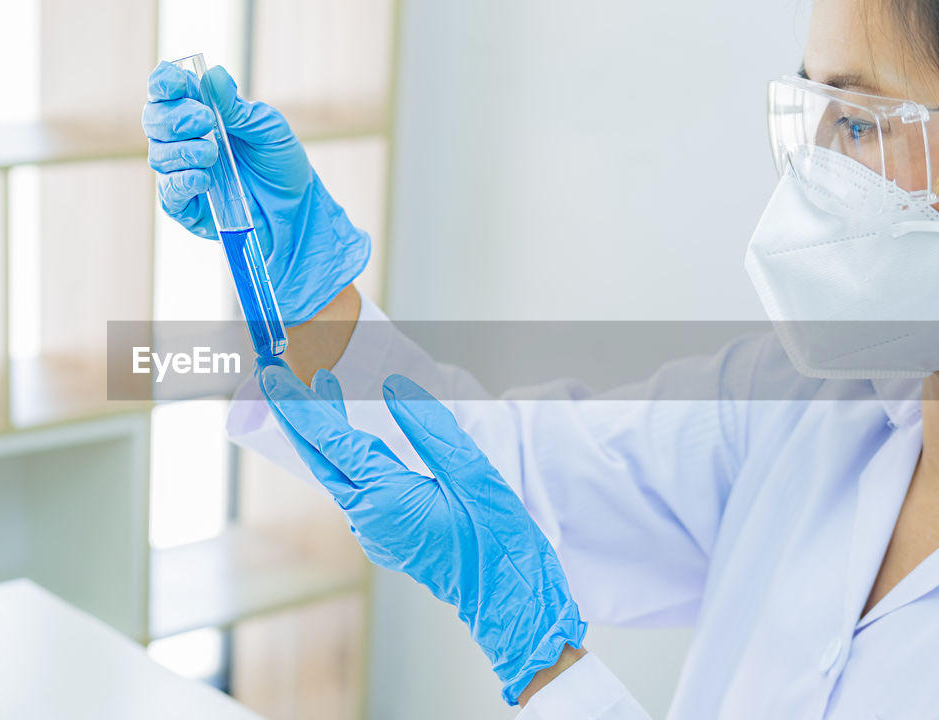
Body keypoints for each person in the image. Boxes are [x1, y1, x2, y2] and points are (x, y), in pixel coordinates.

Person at [142, 0, 939, 716]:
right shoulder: (814, 402)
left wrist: (547, 665)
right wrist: (309, 280)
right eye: (817, 114)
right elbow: (494, 480)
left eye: (858, 122)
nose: (812, 179)